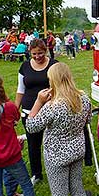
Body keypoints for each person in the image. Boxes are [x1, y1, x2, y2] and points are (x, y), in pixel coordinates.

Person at [26, 62, 90, 196]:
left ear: (53, 80)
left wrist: (38, 102)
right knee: (77, 189)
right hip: (77, 150)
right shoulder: (84, 99)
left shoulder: (52, 107)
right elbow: (88, 120)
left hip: (56, 156)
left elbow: (31, 126)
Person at [15, 38, 58, 185]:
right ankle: (36, 173)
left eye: (40, 53)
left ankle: (56, 171)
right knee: (33, 145)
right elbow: (20, 90)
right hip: (29, 110)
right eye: (34, 54)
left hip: (49, 110)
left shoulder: (54, 65)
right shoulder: (25, 66)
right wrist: (16, 109)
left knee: (52, 143)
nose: (37, 57)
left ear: (45, 51)